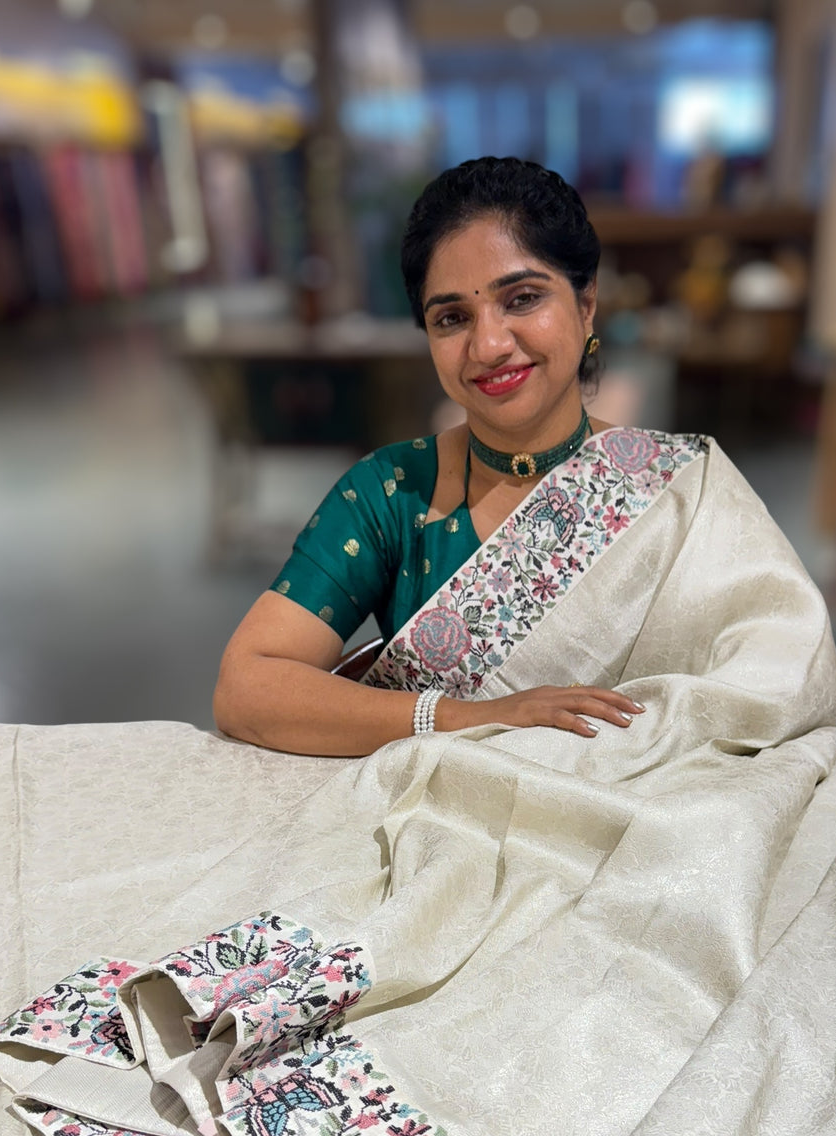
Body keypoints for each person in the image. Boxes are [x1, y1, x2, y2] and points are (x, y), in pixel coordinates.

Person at [214, 157, 645, 756]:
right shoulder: (391, 494)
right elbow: (247, 688)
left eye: (521, 299)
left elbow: (769, 692)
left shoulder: (673, 494)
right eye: (451, 317)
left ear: (587, 302)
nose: (490, 345)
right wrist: (471, 718)